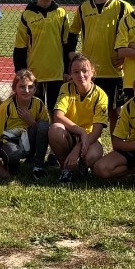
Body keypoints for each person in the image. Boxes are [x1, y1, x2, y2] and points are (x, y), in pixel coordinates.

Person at [72, 0, 131, 122]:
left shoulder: (122, 7)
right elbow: (73, 32)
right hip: (89, 70)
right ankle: (88, 139)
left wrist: (125, 55)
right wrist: (71, 53)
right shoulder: (84, 7)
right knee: (88, 110)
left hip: (113, 70)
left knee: (114, 112)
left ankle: (115, 140)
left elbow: (134, 34)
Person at [13, 0, 72, 111]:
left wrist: (67, 70)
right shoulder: (27, 15)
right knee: (35, 110)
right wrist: (21, 71)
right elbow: (20, 46)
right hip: (34, 73)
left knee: (56, 110)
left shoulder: (61, 14)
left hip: (57, 73)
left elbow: (67, 44)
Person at [49, 53, 108, 184]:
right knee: (55, 129)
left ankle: (82, 165)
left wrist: (78, 147)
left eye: (84, 71)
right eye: (76, 72)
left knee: (92, 157)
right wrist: (81, 132)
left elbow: (97, 131)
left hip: (90, 138)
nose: (81, 75)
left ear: (92, 71)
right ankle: (66, 168)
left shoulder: (101, 95)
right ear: (70, 74)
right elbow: (58, 116)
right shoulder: (66, 88)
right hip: (70, 134)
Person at [0, 69, 50, 181]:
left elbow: (44, 131)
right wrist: (0, 169)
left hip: (28, 140)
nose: (27, 90)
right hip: (9, 142)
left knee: (43, 125)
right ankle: (10, 164)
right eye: (22, 87)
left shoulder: (38, 103)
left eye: (30, 87)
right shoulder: (6, 106)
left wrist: (31, 121)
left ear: (35, 89)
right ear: (14, 88)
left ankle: (38, 166)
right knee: (13, 153)